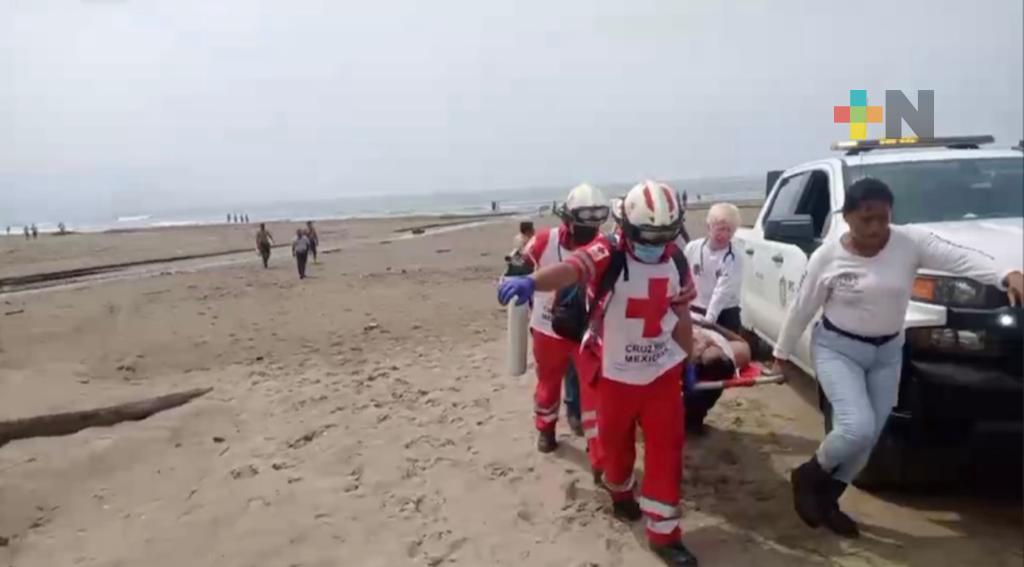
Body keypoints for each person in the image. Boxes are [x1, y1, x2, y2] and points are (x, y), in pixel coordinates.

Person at [776, 177, 1024, 538]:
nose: (876, 227)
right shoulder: (827, 257)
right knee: (855, 427)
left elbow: (961, 256)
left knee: (870, 438)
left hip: (888, 352)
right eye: (867, 219)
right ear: (848, 217)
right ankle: (809, 475)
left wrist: (1006, 273)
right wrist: (782, 352)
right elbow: (802, 306)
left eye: (883, 217)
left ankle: (828, 499)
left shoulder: (909, 243)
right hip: (838, 349)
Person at [498, 180, 699, 566]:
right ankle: (620, 491)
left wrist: (686, 362)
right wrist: (530, 281)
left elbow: (682, 314)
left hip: (660, 372)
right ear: (628, 227)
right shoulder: (607, 251)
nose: (656, 245)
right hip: (612, 372)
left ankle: (664, 533)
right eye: (648, 236)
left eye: (665, 236)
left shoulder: (675, 259)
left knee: (667, 450)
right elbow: (571, 269)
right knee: (614, 447)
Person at [516, 183, 609, 463]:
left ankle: (598, 450)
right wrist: (515, 282)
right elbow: (520, 266)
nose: (590, 232)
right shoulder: (545, 240)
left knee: (593, 389)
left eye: (595, 225)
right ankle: (546, 430)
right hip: (547, 329)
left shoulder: (602, 246)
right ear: (568, 219)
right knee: (548, 383)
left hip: (585, 332)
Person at [680, 202, 743, 433]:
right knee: (690, 360)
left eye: (729, 230)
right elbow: (682, 276)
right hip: (692, 310)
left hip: (723, 315)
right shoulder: (693, 248)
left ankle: (696, 414)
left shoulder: (734, 257)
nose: (723, 234)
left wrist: (709, 320)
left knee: (716, 367)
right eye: (720, 228)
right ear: (709, 226)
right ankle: (684, 410)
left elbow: (722, 291)